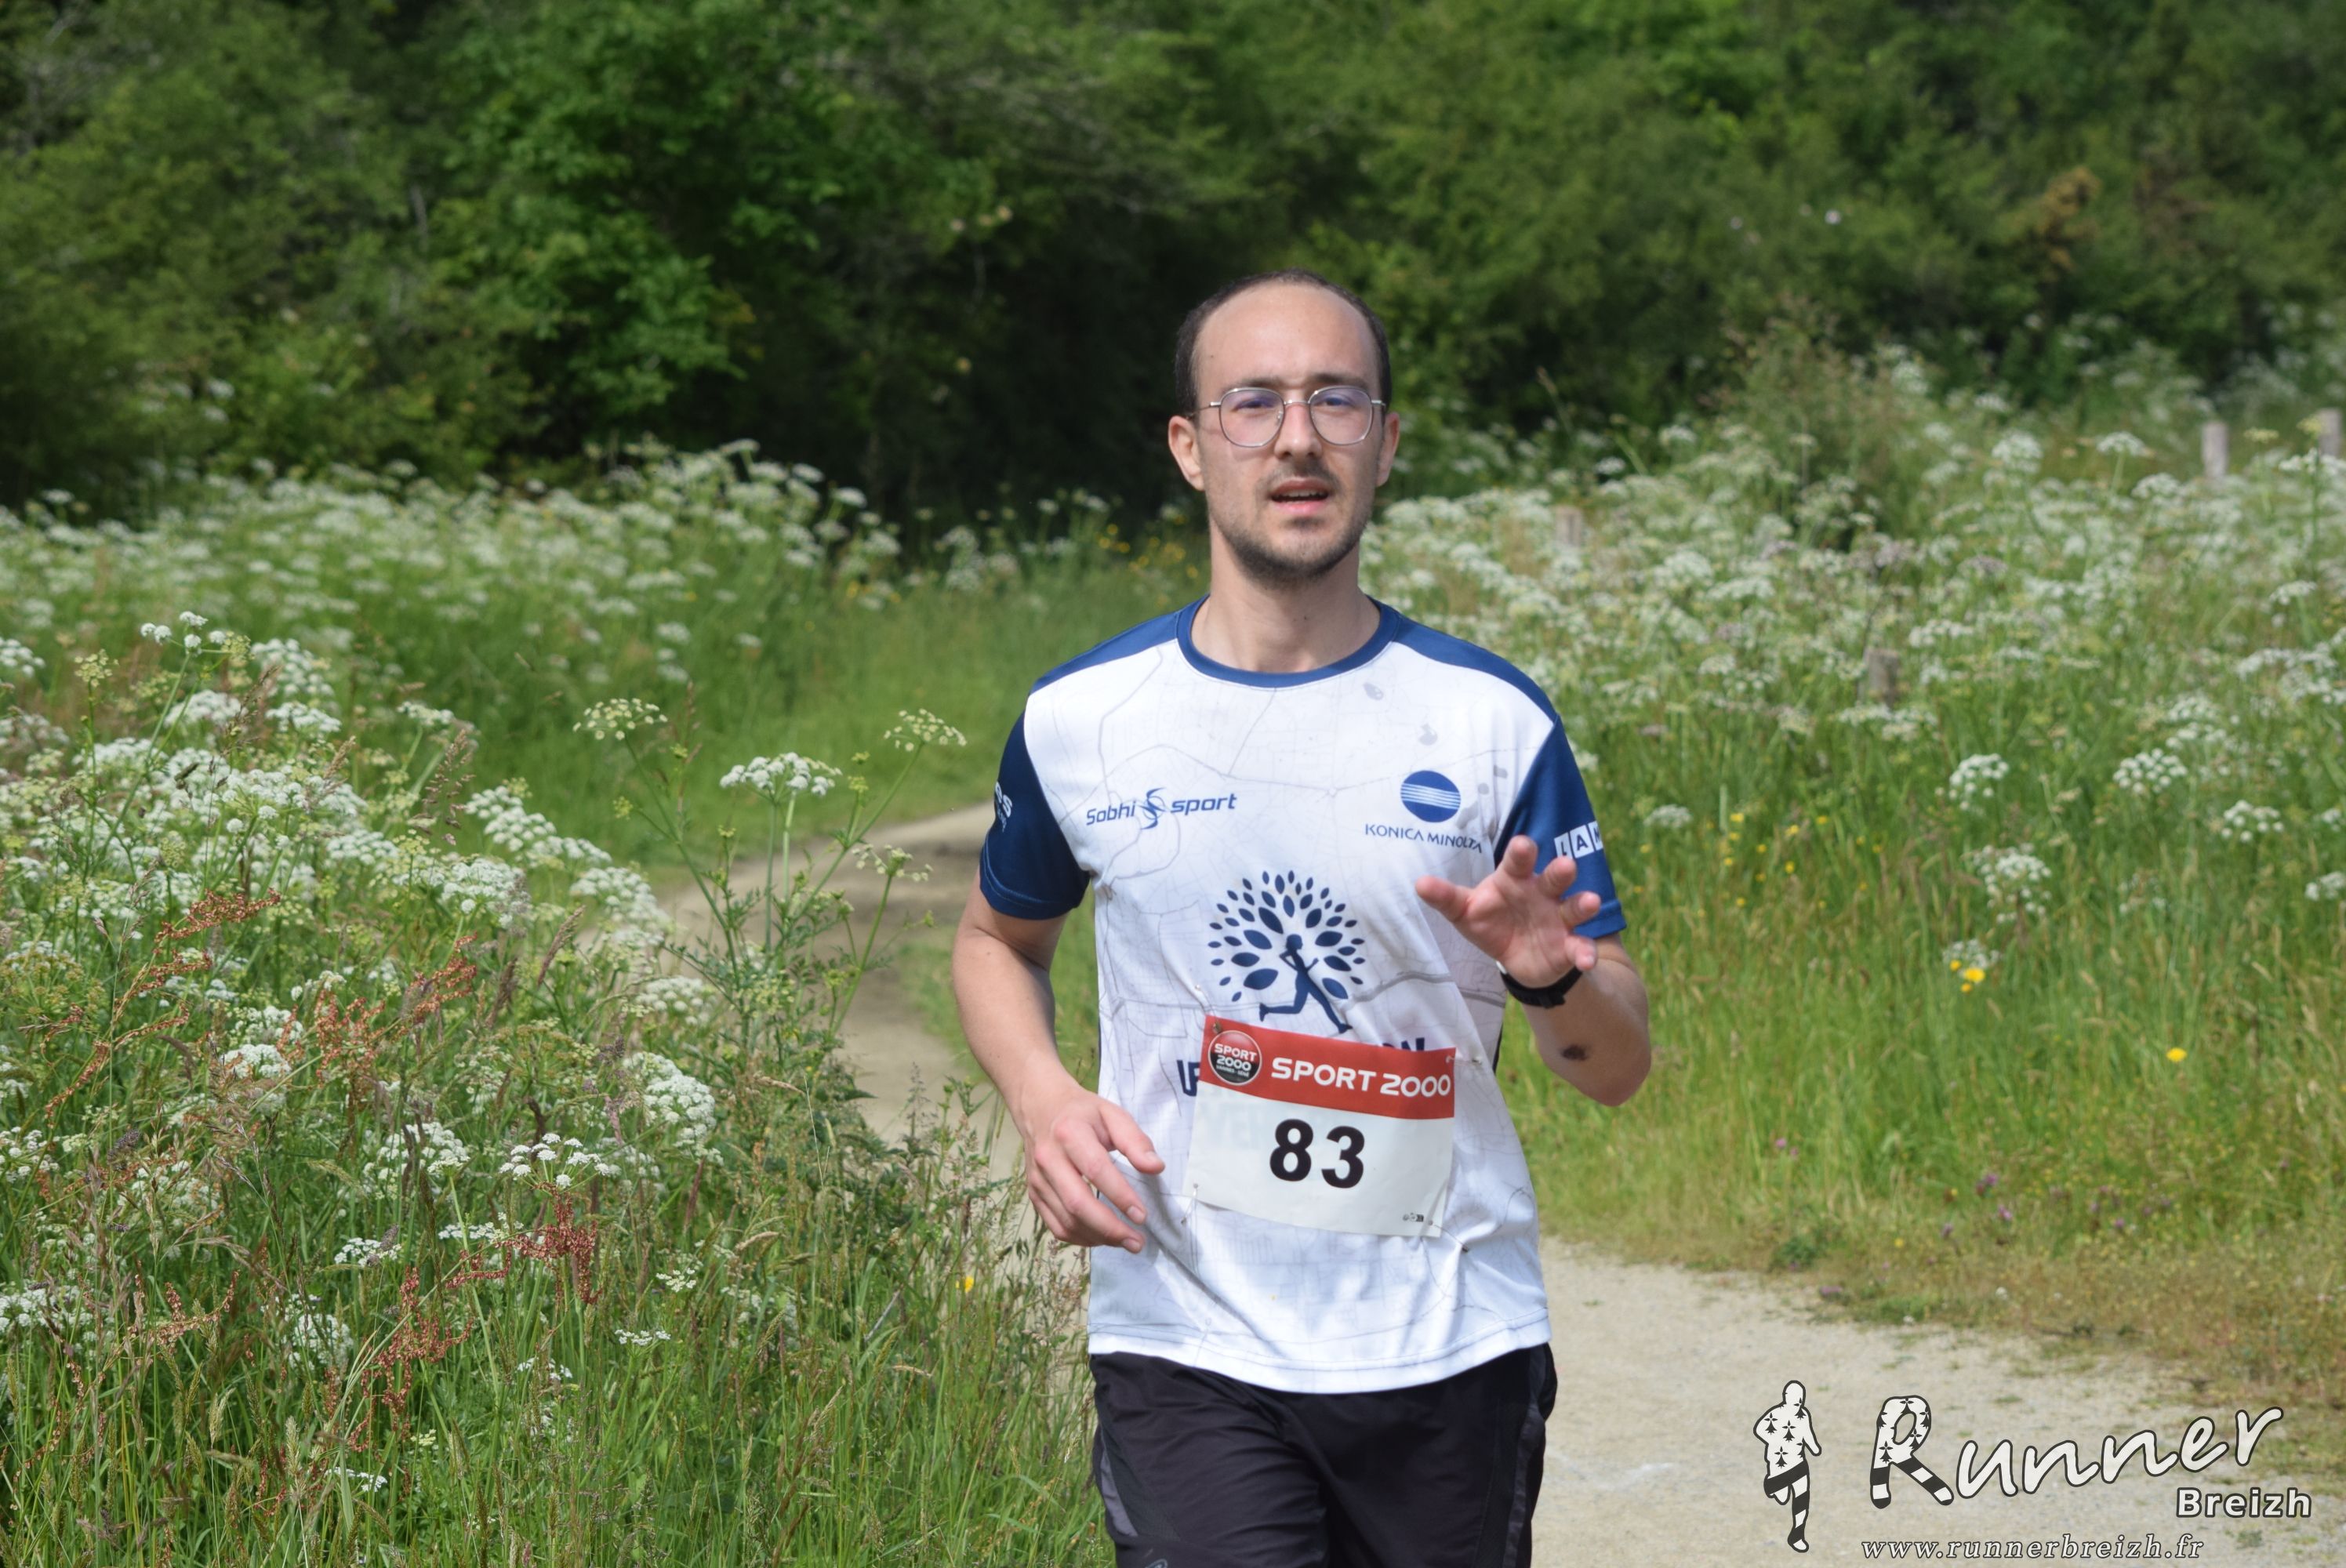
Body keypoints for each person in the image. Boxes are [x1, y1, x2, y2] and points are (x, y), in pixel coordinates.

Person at [950, 268, 1652, 1568]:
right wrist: (1044, 1103)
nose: (1297, 437)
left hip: (1451, 1339)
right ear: (1190, 446)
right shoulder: (1082, 720)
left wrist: (1550, 976)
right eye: (1254, 402)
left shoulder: (1492, 722)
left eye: (1338, 400)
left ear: (1385, 443)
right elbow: (998, 940)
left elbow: (1614, 1067)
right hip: (1184, 1336)